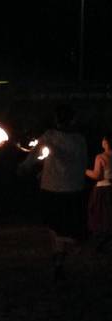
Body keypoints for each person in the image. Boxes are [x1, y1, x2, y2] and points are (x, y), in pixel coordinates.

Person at [19, 105, 87, 281]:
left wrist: (25, 167)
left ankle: (61, 256)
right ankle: (59, 261)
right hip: (72, 189)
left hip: (53, 189)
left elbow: (34, 156)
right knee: (60, 228)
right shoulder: (79, 140)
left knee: (55, 228)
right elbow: (80, 165)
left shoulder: (50, 136)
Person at [85, 133, 112, 252]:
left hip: (103, 189)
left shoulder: (101, 157)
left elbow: (97, 176)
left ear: (106, 142)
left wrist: (84, 170)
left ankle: (101, 242)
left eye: (103, 140)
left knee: (100, 216)